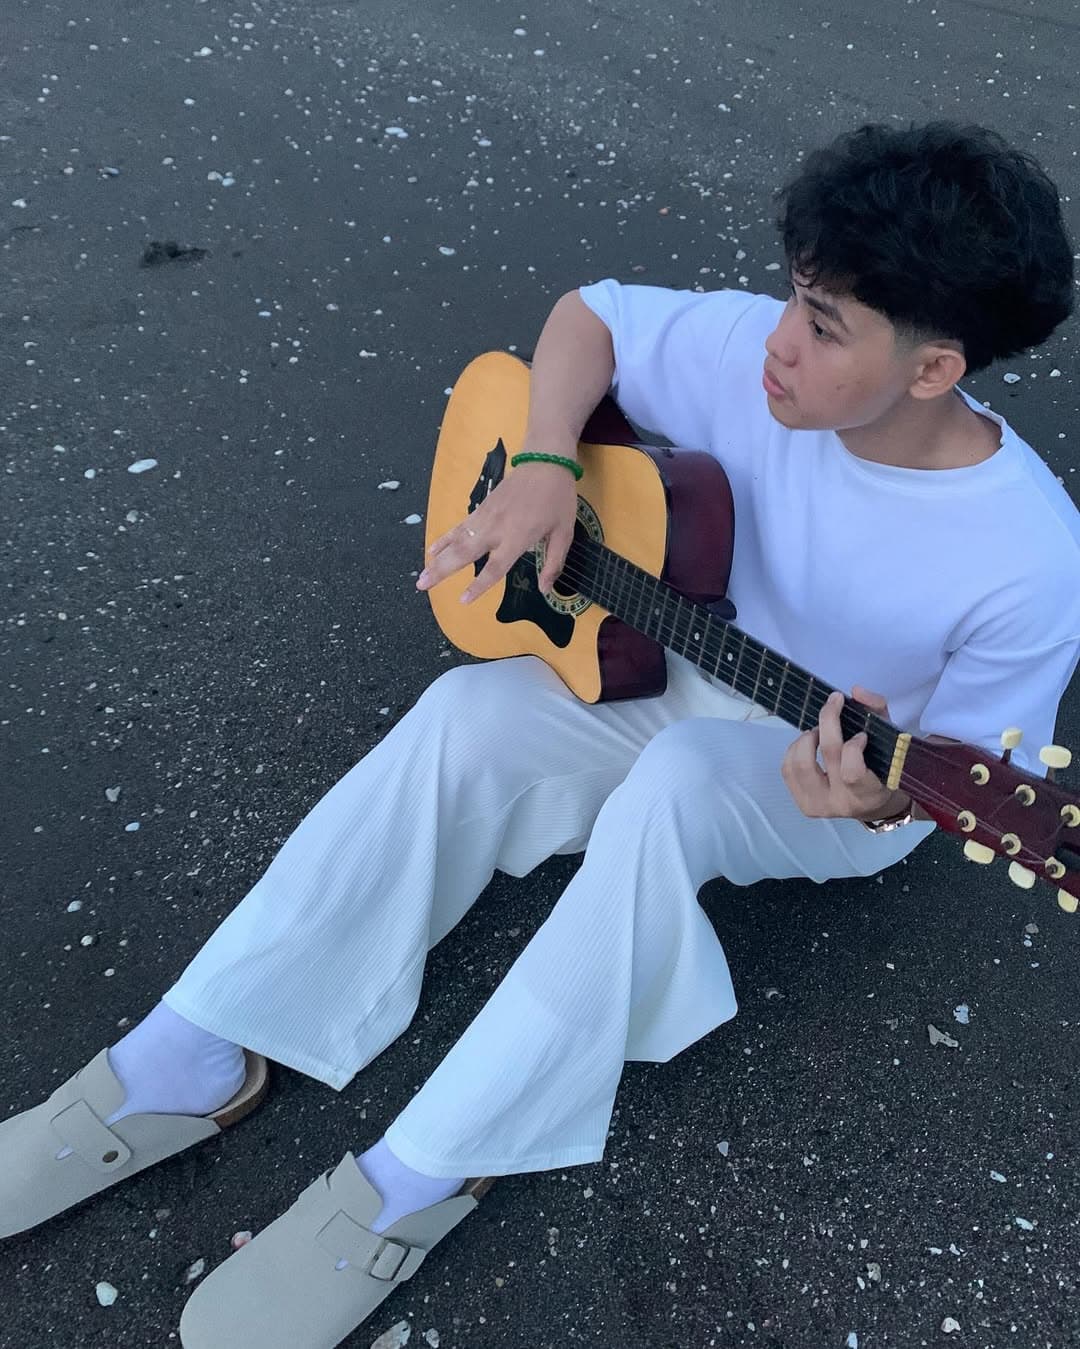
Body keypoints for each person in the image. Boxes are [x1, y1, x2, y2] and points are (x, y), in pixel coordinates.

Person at [3, 121, 1078, 1348]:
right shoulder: (757, 350)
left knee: (677, 786)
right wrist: (549, 463)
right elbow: (590, 317)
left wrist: (873, 795)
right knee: (465, 713)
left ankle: (431, 1167)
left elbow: (958, 787)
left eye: (827, 325)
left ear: (934, 371)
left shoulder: (1029, 561)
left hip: (820, 776)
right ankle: (183, 1056)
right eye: (795, 292)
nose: (779, 340)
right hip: (671, 662)